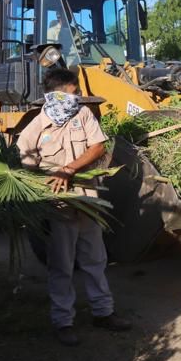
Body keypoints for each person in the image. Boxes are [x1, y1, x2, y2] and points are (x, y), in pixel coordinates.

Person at [16, 67, 131, 346]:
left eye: (76, 92)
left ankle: (103, 313)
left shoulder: (83, 115)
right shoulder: (34, 129)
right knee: (62, 265)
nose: (76, 96)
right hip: (58, 207)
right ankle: (63, 322)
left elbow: (98, 147)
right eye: (71, 92)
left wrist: (67, 169)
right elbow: (25, 172)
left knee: (95, 260)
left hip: (88, 199)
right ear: (54, 95)